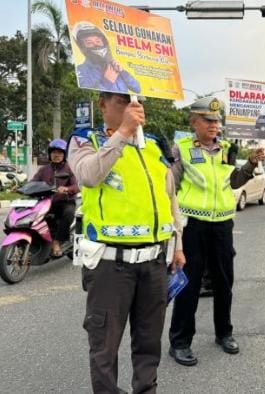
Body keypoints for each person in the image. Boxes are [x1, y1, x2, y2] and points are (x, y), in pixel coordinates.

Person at [68, 91, 186, 394]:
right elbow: (89, 175)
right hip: (110, 264)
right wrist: (122, 133)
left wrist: (178, 244)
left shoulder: (154, 147)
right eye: (122, 101)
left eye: (137, 101)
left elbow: (169, 199)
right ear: (102, 104)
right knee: (104, 345)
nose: (134, 107)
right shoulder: (85, 141)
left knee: (149, 344)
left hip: (155, 262)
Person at [168, 96, 265, 366]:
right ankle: (179, 341)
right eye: (208, 120)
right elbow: (171, 187)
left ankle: (224, 333)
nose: (214, 125)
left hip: (222, 223)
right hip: (192, 225)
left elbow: (233, 181)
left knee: (224, 281)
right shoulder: (182, 149)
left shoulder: (226, 149)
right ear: (193, 122)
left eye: (217, 121)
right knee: (189, 283)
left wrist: (250, 166)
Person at [31, 139, 79, 257]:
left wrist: (67, 189)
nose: (56, 155)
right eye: (54, 152)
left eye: (59, 153)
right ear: (49, 154)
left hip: (64, 201)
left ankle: (57, 241)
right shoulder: (43, 170)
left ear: (64, 155)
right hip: (46, 202)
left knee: (68, 212)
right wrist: (23, 187)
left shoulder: (69, 169)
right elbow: (33, 182)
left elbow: (76, 185)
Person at [72, 21, 141, 94]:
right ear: (82, 47)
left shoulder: (114, 66)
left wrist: (123, 72)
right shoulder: (81, 70)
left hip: (124, 104)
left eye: (98, 41)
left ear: (103, 41)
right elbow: (86, 95)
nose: (96, 45)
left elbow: (137, 88)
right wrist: (107, 82)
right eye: (89, 43)